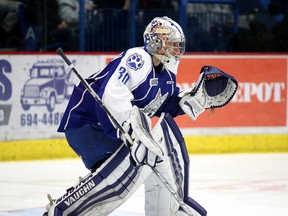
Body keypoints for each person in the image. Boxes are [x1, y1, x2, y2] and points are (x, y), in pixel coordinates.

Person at [43, 16, 237, 216]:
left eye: (177, 44)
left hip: (110, 129)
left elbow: (163, 103)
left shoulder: (166, 74)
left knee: (156, 161)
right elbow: (112, 94)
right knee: (122, 176)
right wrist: (131, 130)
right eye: (170, 42)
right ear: (154, 41)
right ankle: (62, 210)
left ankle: (165, 211)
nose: (176, 48)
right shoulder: (137, 58)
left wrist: (193, 101)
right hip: (87, 124)